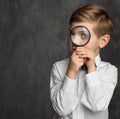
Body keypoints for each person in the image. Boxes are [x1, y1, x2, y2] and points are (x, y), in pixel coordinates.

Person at [50, 4, 118, 119]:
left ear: (103, 41)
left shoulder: (110, 71)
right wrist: (70, 72)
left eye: (83, 35)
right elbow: (62, 109)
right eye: (73, 34)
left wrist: (91, 69)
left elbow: (97, 105)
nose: (75, 41)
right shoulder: (58, 68)